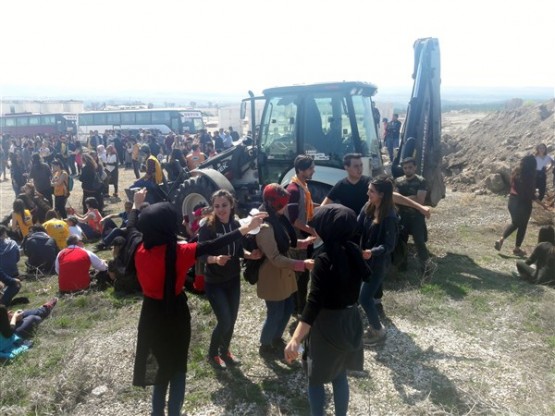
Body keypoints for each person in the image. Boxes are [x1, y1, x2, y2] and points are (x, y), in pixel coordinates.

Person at [131, 189, 265, 416]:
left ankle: (156, 413)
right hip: (175, 313)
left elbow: (132, 226)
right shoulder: (180, 251)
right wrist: (245, 229)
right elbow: (214, 245)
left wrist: (135, 205)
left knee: (161, 366)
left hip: (150, 313)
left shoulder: (138, 247)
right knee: (178, 369)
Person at [285, 204, 369, 416]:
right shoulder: (353, 250)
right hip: (350, 320)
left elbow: (314, 303)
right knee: (339, 374)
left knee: (315, 379)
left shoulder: (324, 259)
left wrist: (295, 338)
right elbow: (367, 275)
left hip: (327, 326)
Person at [198, 190, 263, 369]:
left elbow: (238, 250)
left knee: (232, 319)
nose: (221, 210)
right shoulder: (207, 227)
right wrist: (215, 260)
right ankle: (212, 354)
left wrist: (251, 255)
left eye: (224, 205)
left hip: (233, 279)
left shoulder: (235, 224)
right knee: (224, 320)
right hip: (214, 282)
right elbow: (200, 254)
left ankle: (225, 350)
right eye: (217, 206)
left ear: (231, 205)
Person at [256, 183, 315, 359]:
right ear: (275, 205)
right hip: (272, 275)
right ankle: (265, 345)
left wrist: (302, 243)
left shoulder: (277, 218)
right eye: (283, 205)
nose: (285, 209)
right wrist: (301, 264)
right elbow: (274, 257)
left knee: (288, 307)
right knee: (275, 312)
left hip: (284, 273)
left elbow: (284, 241)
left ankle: (276, 338)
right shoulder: (265, 226)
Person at [358, 175, 398, 345]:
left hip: (378, 264)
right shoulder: (368, 206)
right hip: (365, 261)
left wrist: (371, 252)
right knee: (361, 295)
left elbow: (389, 245)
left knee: (365, 298)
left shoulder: (390, 216)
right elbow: (356, 226)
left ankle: (378, 331)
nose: (368, 193)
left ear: (382, 194)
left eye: (371, 191)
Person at [495, 155, 551, 257]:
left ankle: (501, 239)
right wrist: (544, 205)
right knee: (523, 225)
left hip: (512, 201)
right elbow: (531, 195)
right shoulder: (529, 176)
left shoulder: (516, 172)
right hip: (524, 204)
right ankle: (517, 249)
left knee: (515, 223)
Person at [286, 155, 318, 318]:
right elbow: (292, 220)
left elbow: (305, 208)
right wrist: (311, 230)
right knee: (300, 274)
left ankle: (298, 306)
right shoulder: (293, 190)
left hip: (304, 236)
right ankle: (298, 308)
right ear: (301, 170)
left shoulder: (303, 186)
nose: (314, 170)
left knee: (304, 273)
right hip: (299, 238)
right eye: (311, 168)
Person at [394, 157, 431, 274]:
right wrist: (411, 198)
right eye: (405, 168)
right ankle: (401, 266)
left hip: (417, 217)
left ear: (415, 167)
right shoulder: (398, 181)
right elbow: (395, 199)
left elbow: (420, 200)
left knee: (419, 242)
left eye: (410, 167)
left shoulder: (421, 181)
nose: (407, 170)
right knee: (401, 241)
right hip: (402, 216)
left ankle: (426, 268)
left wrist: (402, 199)